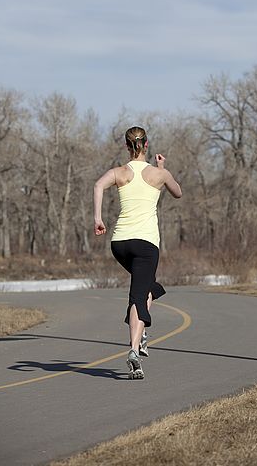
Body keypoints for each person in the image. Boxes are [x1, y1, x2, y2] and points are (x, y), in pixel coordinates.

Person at [93, 126, 182, 379]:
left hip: (119, 243)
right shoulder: (158, 174)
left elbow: (98, 186)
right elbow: (178, 192)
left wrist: (98, 219)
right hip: (146, 245)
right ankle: (134, 349)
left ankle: (140, 333)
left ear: (127, 146)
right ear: (146, 145)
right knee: (139, 295)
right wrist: (163, 170)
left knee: (147, 288)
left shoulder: (119, 172)